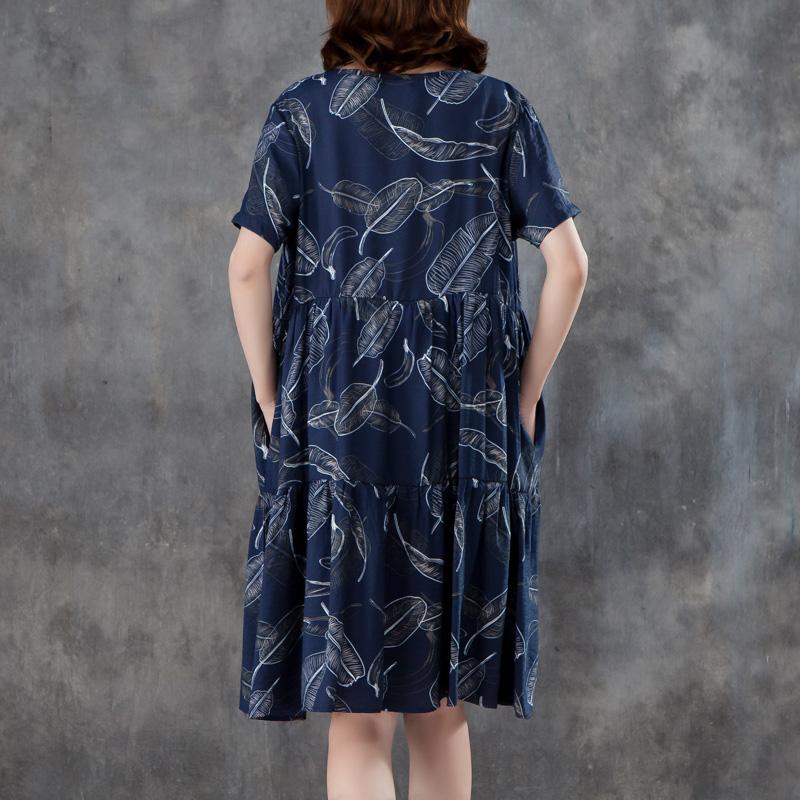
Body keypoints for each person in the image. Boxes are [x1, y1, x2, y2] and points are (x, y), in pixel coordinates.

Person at [227, 1, 588, 797]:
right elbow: (569, 266)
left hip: (338, 435)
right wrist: (524, 395)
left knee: (359, 719)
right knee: (441, 703)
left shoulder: (305, 113)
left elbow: (247, 267)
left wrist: (274, 400)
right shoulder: (499, 110)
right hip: (460, 435)